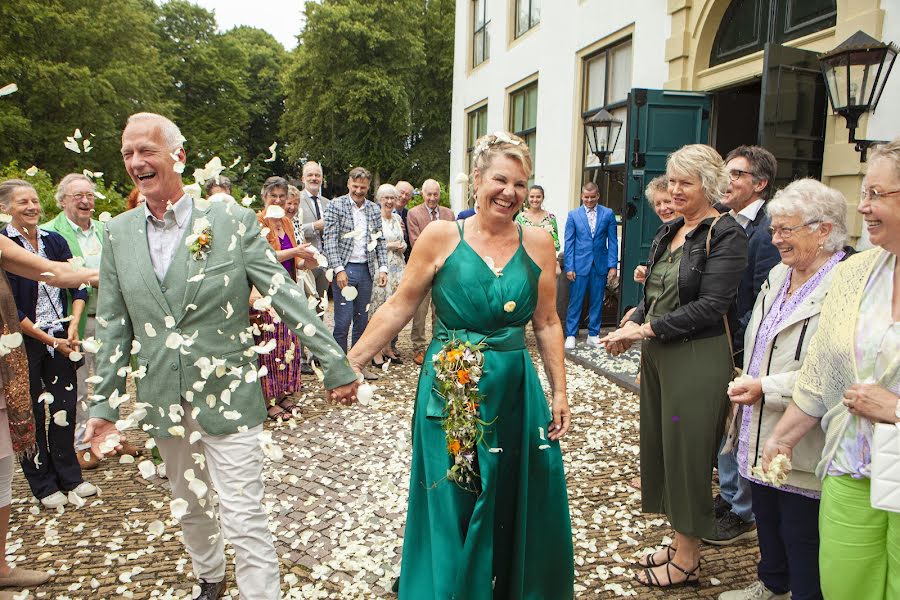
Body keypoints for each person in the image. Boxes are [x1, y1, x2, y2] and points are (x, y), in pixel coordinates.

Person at [84, 112, 359, 600]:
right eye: (127, 152)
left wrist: (333, 363)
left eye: (146, 150)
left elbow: (282, 293)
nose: (135, 161)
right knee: (188, 504)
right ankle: (209, 577)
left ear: (178, 156)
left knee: (244, 513)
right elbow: (111, 325)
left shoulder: (229, 219)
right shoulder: (118, 233)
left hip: (228, 392)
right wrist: (103, 409)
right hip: (162, 397)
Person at [341, 132, 574, 598]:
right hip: (452, 383)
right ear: (477, 182)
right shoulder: (441, 235)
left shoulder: (539, 242)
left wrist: (560, 391)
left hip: (514, 391)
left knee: (510, 490)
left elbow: (547, 322)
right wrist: (351, 362)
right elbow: (399, 307)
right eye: (500, 180)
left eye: (520, 183)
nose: (509, 192)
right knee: (454, 489)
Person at [601, 144, 747, 589]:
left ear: (710, 184)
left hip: (697, 357)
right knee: (663, 448)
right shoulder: (670, 232)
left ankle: (688, 558)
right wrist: (634, 321)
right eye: (672, 181)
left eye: (687, 182)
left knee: (688, 454)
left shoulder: (726, 234)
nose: (676, 190)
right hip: (660, 354)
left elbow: (710, 306)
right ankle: (679, 536)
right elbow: (654, 293)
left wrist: (643, 332)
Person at [760, 139, 900, 600]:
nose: (863, 207)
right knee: (843, 587)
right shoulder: (855, 274)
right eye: (864, 193)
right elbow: (822, 374)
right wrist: (782, 436)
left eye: (878, 194)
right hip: (849, 468)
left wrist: (897, 410)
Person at [719, 179, 851, 600]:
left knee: (801, 530)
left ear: (823, 229)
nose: (774, 239)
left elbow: (837, 365)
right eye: (774, 229)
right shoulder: (778, 274)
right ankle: (772, 583)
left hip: (804, 428)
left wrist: (767, 387)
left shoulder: (847, 283)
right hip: (757, 422)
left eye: (785, 230)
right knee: (766, 515)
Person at [0, 223, 98, 599]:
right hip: (27, 341)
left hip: (17, 354)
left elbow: (56, 273)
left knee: (6, 461)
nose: (31, 207)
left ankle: (1, 566)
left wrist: (129, 267)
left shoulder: (23, 244)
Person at [0, 180, 97, 509]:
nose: (31, 207)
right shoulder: (5, 244)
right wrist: (48, 340)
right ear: (5, 208)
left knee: (64, 407)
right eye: (22, 202)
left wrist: (73, 322)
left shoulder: (54, 241)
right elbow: (11, 306)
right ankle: (42, 483)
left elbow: (79, 283)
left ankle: (71, 477)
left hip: (61, 334)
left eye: (35, 200)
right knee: (31, 411)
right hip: (24, 339)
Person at [42, 174, 141, 470]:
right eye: (77, 196)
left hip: (113, 316)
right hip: (76, 319)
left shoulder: (105, 229)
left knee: (112, 379)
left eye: (89, 196)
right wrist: (92, 279)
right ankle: (82, 443)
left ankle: (111, 435)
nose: (86, 201)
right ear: (62, 201)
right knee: (81, 384)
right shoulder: (50, 233)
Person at [709, 145, 782, 545]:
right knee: (728, 428)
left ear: (760, 184)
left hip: (745, 348)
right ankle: (729, 495)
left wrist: (741, 351)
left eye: (736, 174)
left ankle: (743, 512)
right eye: (727, 173)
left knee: (743, 428)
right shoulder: (725, 222)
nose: (727, 180)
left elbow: (761, 299)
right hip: (722, 344)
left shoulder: (768, 230)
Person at [252, 176, 316, 421]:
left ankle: (283, 393)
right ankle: (267, 398)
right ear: (264, 198)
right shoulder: (258, 222)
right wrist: (295, 251)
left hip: (287, 290)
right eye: (273, 196)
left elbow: (296, 261)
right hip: (264, 293)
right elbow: (263, 257)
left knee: (287, 345)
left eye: (281, 196)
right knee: (269, 346)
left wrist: (308, 261)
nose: (278, 201)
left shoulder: (288, 222)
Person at [322, 167, 388, 380]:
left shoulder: (373, 209)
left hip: (366, 270)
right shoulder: (336, 205)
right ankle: (340, 368)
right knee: (342, 322)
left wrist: (383, 267)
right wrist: (338, 268)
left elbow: (379, 240)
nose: (359, 191)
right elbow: (329, 240)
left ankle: (358, 365)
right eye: (355, 186)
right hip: (345, 268)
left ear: (368, 187)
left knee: (362, 321)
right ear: (348, 184)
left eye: (363, 187)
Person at [563, 181, 618, 349]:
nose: (589, 200)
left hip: (599, 263)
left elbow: (613, 241)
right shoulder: (574, 215)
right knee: (576, 300)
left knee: (597, 300)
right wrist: (569, 266)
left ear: (598, 196)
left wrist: (612, 265)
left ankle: (593, 334)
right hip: (579, 264)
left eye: (592, 197)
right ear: (581, 196)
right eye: (586, 197)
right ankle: (571, 334)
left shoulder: (608, 214)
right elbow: (569, 242)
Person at [406, 179, 454, 365]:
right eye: (429, 194)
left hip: (445, 271)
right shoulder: (414, 214)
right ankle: (418, 348)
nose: (432, 198)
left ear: (439, 195)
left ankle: (440, 346)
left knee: (441, 310)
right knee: (420, 311)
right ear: (423, 194)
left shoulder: (449, 214)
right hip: (423, 269)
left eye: (435, 194)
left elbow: (454, 239)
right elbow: (416, 242)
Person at [368, 184, 407, 367]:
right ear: (379, 199)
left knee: (394, 310)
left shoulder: (398, 218)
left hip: (398, 268)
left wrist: (402, 246)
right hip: (380, 268)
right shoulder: (375, 219)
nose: (390, 201)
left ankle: (388, 348)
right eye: (386, 198)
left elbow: (404, 242)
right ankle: (375, 352)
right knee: (379, 310)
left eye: (392, 198)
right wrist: (391, 246)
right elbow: (370, 245)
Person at [297, 162, 331, 301]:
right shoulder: (296, 200)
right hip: (305, 261)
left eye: (317, 175)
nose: (314, 178)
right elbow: (293, 229)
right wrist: (314, 226)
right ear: (303, 178)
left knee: (321, 306)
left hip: (324, 263)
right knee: (305, 305)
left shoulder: (328, 203)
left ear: (321, 179)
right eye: (310, 175)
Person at [516, 184, 559, 251]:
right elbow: (516, 241)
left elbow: (556, 244)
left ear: (543, 198)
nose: (535, 200)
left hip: (545, 257)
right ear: (527, 197)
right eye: (532, 197)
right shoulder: (520, 218)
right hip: (525, 258)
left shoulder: (550, 217)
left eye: (538, 197)